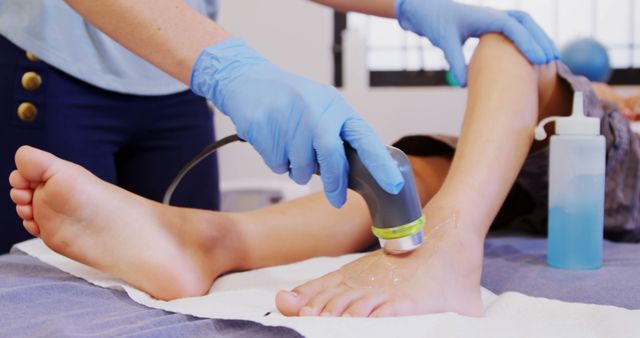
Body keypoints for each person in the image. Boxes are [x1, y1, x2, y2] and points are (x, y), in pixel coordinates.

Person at [10, 33, 638, 317]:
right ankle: (205, 240)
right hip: (578, 168)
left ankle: (447, 248)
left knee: (508, 44)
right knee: (409, 176)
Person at [0, 0, 557, 252]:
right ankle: (446, 255)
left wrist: (406, 4)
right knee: (59, 273)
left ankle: (203, 246)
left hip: (176, 82)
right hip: (54, 71)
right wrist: (227, 65)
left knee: (197, 242)